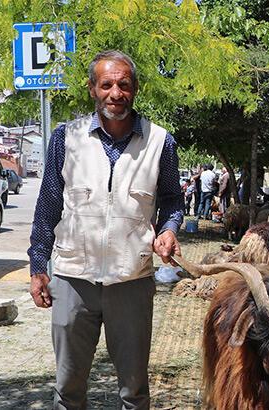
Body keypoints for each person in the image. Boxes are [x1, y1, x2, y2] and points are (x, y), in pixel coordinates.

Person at [27, 49, 184, 409]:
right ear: (92, 89)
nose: (116, 93)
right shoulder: (67, 138)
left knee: (133, 391)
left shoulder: (161, 142)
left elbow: (173, 200)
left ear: (136, 89)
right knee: (68, 388)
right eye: (107, 84)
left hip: (131, 281)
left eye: (124, 85)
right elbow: (48, 206)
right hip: (72, 278)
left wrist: (169, 229)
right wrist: (38, 267)